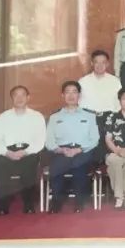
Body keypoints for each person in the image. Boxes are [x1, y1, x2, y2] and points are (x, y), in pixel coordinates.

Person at [0, 85, 45, 215]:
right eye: (16, 95)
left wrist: (25, 152)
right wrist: (7, 153)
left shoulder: (37, 117)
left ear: (28, 97)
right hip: (7, 154)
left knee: (31, 163)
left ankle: (29, 205)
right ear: (12, 98)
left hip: (28, 153)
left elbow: (40, 141)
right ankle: (2, 205)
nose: (19, 98)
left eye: (22, 95)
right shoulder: (0, 119)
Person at [44, 81, 99, 213]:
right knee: (57, 166)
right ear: (62, 95)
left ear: (79, 95)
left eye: (74, 92)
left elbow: (94, 139)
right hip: (61, 151)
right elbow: (49, 140)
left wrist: (79, 150)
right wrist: (60, 149)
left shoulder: (90, 116)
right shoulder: (55, 117)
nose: (71, 95)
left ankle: (80, 202)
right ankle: (56, 203)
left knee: (79, 165)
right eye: (67, 92)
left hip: (83, 150)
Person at [78, 49, 122, 157]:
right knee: (90, 150)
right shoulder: (83, 81)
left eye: (103, 62)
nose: (100, 65)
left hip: (108, 118)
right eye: (96, 62)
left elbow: (118, 103)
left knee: (106, 149)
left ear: (107, 64)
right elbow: (79, 103)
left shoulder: (115, 81)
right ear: (92, 63)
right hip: (89, 117)